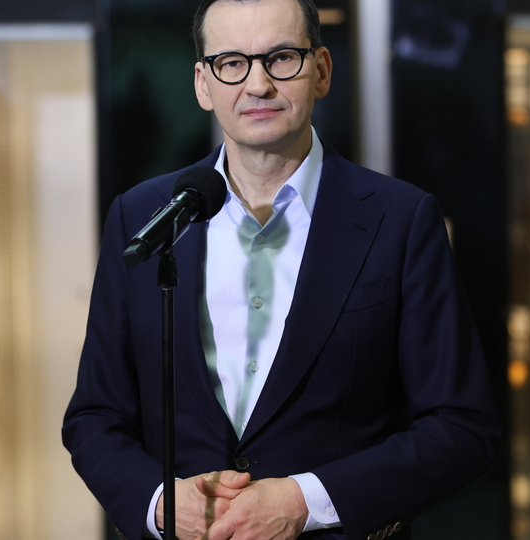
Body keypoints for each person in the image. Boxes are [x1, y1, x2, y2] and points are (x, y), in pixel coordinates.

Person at [62, 0, 500, 539]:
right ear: (203, 84)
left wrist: (304, 502)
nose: (258, 84)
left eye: (282, 58)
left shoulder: (402, 219)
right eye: (231, 63)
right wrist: (160, 504)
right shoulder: (143, 215)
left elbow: (462, 427)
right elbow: (95, 416)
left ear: (322, 70)